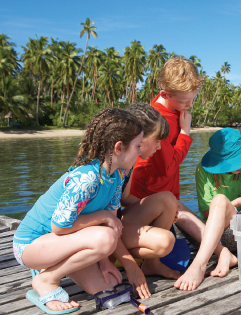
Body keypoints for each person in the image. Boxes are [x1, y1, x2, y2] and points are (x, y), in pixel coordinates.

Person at [12, 108, 143, 313]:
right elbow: (59, 227)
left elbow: (106, 222)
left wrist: (104, 261)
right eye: (138, 146)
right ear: (119, 148)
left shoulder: (117, 177)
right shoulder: (87, 179)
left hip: (63, 244)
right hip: (31, 245)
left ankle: (48, 269)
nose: (140, 152)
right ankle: (47, 278)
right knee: (106, 236)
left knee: (107, 287)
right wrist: (102, 216)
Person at [174, 128, 241, 291]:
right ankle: (223, 253)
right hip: (207, 233)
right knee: (176, 207)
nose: (240, 164)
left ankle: (200, 264)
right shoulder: (203, 170)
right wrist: (236, 201)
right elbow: (208, 213)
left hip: (232, 232)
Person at [113, 102, 180, 300]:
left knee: (168, 199)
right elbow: (101, 221)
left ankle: (152, 263)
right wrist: (130, 265)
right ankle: (108, 259)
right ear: (138, 137)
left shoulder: (129, 163)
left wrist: (159, 210)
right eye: (157, 140)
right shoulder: (109, 166)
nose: (160, 146)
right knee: (165, 241)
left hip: (114, 224)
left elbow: (125, 198)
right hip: (101, 231)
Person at [130, 57, 204, 201]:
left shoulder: (173, 105)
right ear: (165, 94)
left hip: (166, 193)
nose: (190, 105)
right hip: (150, 193)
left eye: (192, 100)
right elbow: (167, 168)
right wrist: (185, 133)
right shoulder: (158, 121)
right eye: (184, 101)